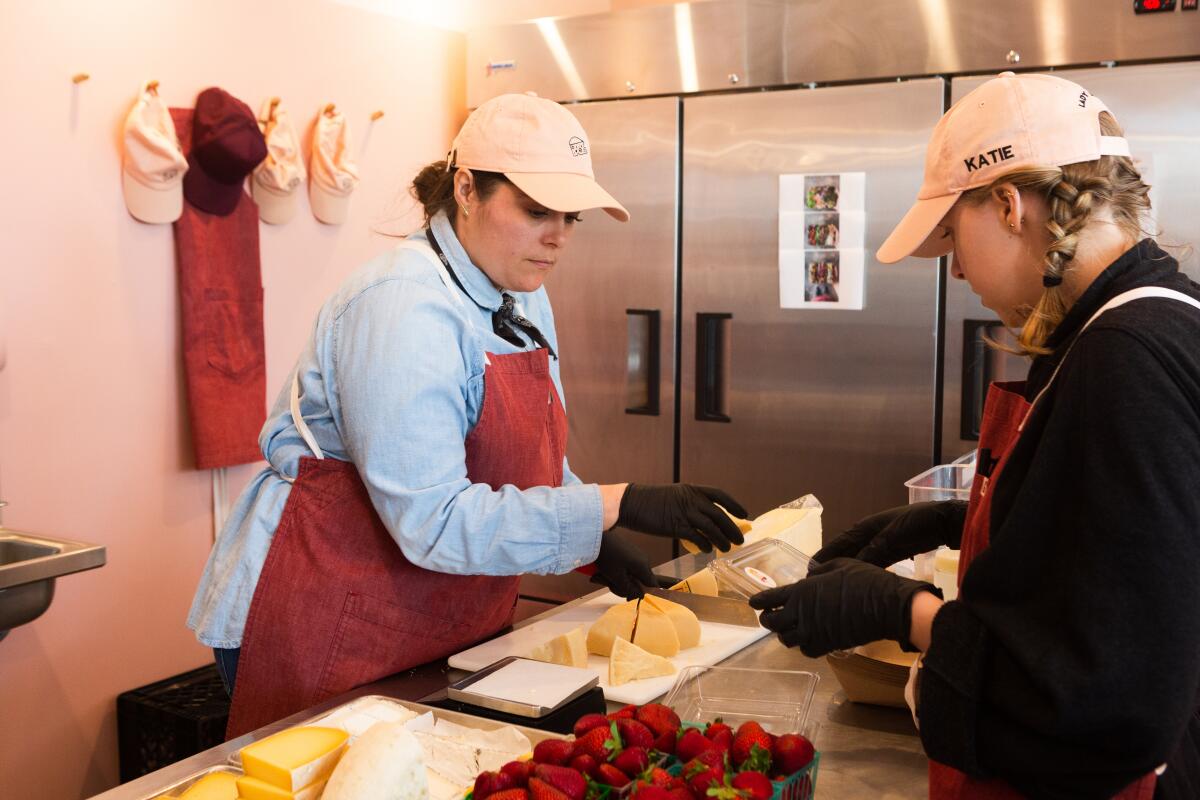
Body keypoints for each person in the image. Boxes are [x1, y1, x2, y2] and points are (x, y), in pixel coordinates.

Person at [188, 93, 747, 737]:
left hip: (428, 611)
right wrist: (613, 504)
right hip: (327, 609)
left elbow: (521, 460)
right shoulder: (402, 307)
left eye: (571, 216)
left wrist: (590, 545)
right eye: (536, 210)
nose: (557, 236)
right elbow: (432, 520)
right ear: (466, 189)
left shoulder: (519, 291)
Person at [749, 72, 1200, 798]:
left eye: (954, 236)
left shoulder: (1126, 356)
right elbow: (1129, 553)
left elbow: (1108, 693)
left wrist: (903, 610)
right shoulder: (1159, 316)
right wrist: (963, 523)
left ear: (1008, 204)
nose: (956, 267)